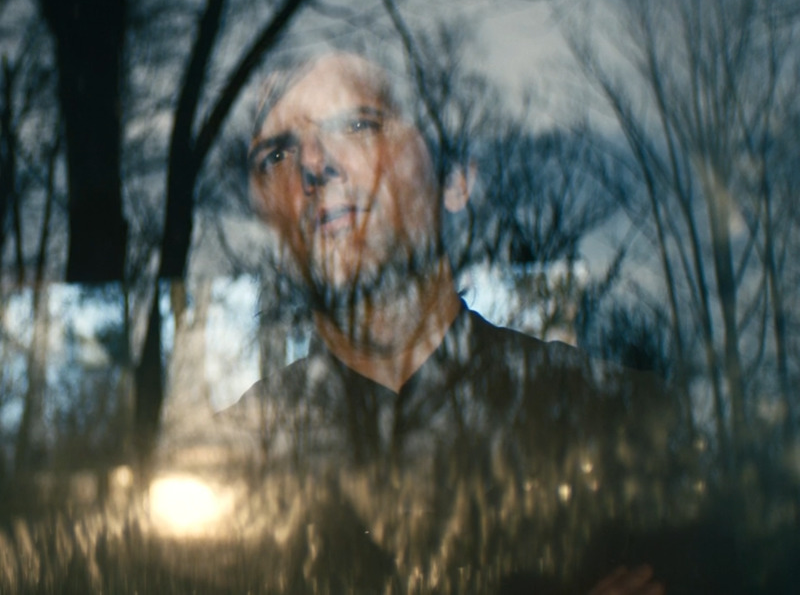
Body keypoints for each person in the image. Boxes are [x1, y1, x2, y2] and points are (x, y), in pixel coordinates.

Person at [224, 52, 686, 594]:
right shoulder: (221, 470)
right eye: (275, 154)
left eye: (355, 125)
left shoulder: (614, 423)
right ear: (271, 224)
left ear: (456, 180)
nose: (312, 163)